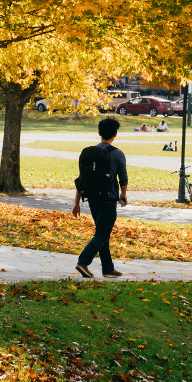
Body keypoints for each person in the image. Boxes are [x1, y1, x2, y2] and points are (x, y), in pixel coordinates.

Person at [73, 118, 128, 279]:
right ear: (115, 134)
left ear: (99, 133)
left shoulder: (89, 153)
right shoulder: (117, 153)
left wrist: (76, 203)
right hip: (108, 199)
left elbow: (81, 179)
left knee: (102, 232)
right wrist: (123, 194)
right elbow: (122, 178)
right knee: (102, 234)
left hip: (91, 199)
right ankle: (83, 262)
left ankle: (108, 268)